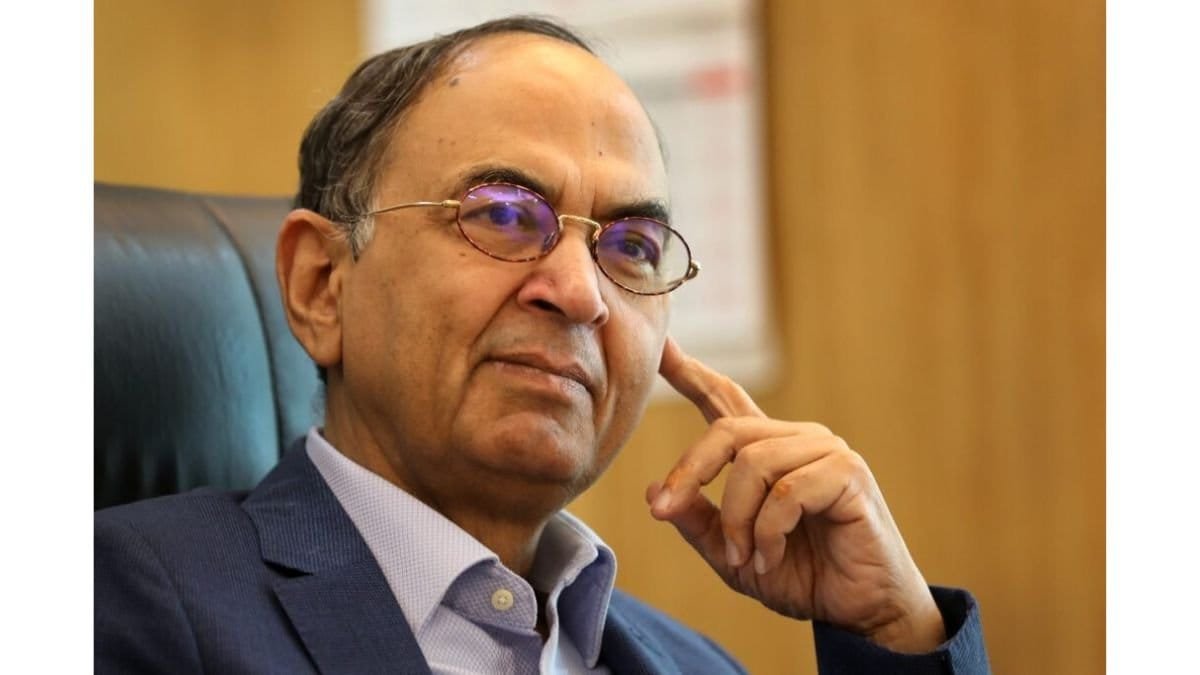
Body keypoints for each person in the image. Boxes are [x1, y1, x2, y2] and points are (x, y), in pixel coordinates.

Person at [95, 16, 988, 674]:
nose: (580, 293)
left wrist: (890, 635)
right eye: (501, 214)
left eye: (631, 245)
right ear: (321, 284)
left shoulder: (696, 664)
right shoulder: (125, 599)